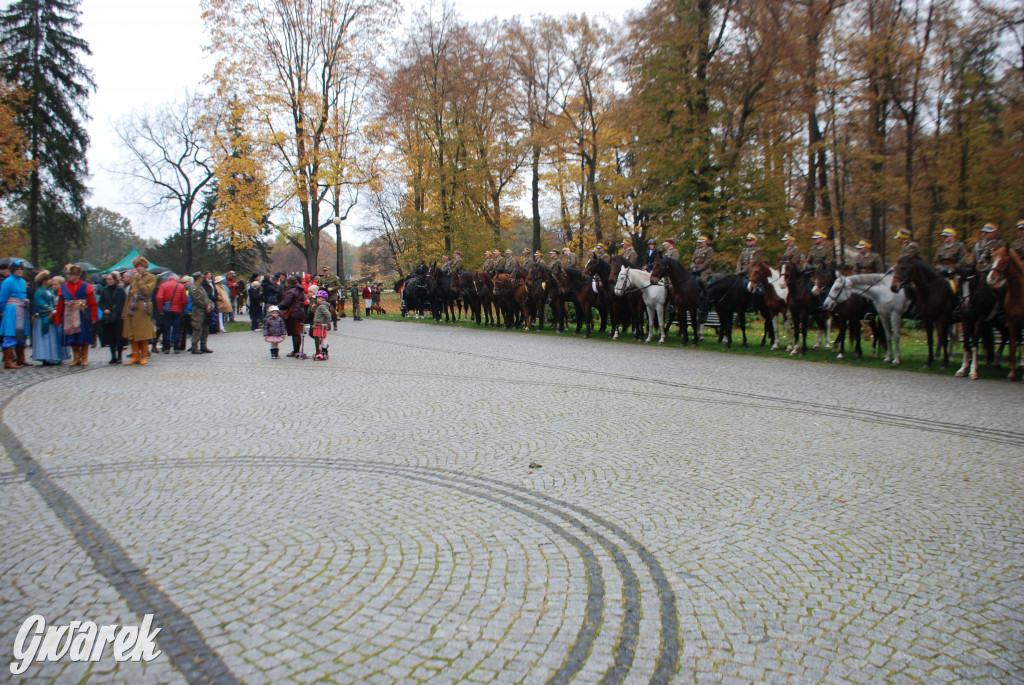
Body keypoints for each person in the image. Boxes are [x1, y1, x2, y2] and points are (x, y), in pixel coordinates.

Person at [56, 264, 98, 367]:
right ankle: (76, 358)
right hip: (69, 314)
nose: (70, 277)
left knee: (83, 337)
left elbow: (92, 302)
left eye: (72, 274)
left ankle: (84, 358)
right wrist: (58, 318)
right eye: (69, 274)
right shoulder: (64, 287)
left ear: (78, 275)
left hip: (82, 314)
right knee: (72, 337)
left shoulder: (85, 286)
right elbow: (60, 304)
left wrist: (93, 316)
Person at [121, 257, 157, 365]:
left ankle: (144, 356)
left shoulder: (151, 277)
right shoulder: (133, 278)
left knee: (143, 333)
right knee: (132, 333)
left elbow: (147, 291)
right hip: (132, 307)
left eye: (141, 266)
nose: (139, 268)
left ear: (145, 267)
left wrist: (139, 279)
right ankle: (135, 355)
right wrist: (124, 311)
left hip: (143, 307)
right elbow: (129, 295)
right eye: (137, 266)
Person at [0, 261, 33, 369]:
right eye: (17, 269)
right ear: (13, 270)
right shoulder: (8, 281)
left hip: (21, 309)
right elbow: (2, 298)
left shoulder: (22, 281)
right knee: (10, 333)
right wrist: (2, 310)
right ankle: (8, 361)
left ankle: (21, 359)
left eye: (21, 269)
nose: (20, 271)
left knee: (21, 334)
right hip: (11, 310)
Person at [30, 270, 68, 366]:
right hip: (42, 317)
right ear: (43, 281)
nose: (50, 280)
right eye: (48, 279)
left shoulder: (48, 290)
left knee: (51, 337)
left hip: (50, 316)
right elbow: (41, 304)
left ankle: (52, 356)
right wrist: (51, 310)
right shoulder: (39, 292)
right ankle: (45, 357)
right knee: (44, 337)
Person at [98, 271, 126, 364]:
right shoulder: (104, 290)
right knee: (110, 337)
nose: (108, 281)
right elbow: (101, 302)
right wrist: (104, 309)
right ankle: (112, 356)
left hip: (118, 316)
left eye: (110, 279)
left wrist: (123, 313)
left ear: (115, 280)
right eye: (107, 280)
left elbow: (125, 302)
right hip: (108, 317)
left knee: (119, 337)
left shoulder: (120, 290)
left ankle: (119, 356)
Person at [155, 273, 188, 354]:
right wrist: (182, 308)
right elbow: (184, 300)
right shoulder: (180, 286)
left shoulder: (163, 285)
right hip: (177, 311)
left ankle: (167, 348)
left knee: (166, 330)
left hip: (167, 310)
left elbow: (159, 297)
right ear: (176, 279)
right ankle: (176, 348)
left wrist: (160, 309)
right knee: (176, 330)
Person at [279, 276, 307, 356]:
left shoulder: (290, 291)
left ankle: (296, 351)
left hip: (293, 313)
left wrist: (278, 307)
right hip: (300, 312)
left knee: (295, 333)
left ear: (289, 283)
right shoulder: (300, 290)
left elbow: (286, 303)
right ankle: (296, 350)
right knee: (297, 332)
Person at [188, 272, 213, 354]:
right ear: (198, 278)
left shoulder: (201, 288)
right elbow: (197, 300)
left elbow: (206, 298)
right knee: (197, 329)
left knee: (205, 330)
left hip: (205, 311)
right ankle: (194, 347)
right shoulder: (194, 288)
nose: (202, 279)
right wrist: (205, 306)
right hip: (198, 312)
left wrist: (209, 305)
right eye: (201, 277)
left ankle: (203, 346)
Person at [320, 266, 343, 330]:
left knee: (333, 311)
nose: (325, 272)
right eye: (324, 271)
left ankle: (335, 324)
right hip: (324, 297)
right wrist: (322, 286)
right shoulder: (321, 278)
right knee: (325, 311)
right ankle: (328, 325)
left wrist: (332, 288)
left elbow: (339, 286)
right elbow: (318, 286)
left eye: (326, 271)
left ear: (329, 271)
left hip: (332, 296)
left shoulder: (334, 277)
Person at [311, 290, 331, 359]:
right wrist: (313, 308)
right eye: (317, 298)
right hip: (318, 324)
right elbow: (317, 314)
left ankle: (319, 351)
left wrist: (327, 324)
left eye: (319, 298)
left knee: (318, 338)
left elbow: (328, 315)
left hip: (319, 325)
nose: (317, 299)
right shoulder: (319, 306)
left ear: (323, 299)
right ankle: (324, 350)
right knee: (321, 339)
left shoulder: (322, 306)